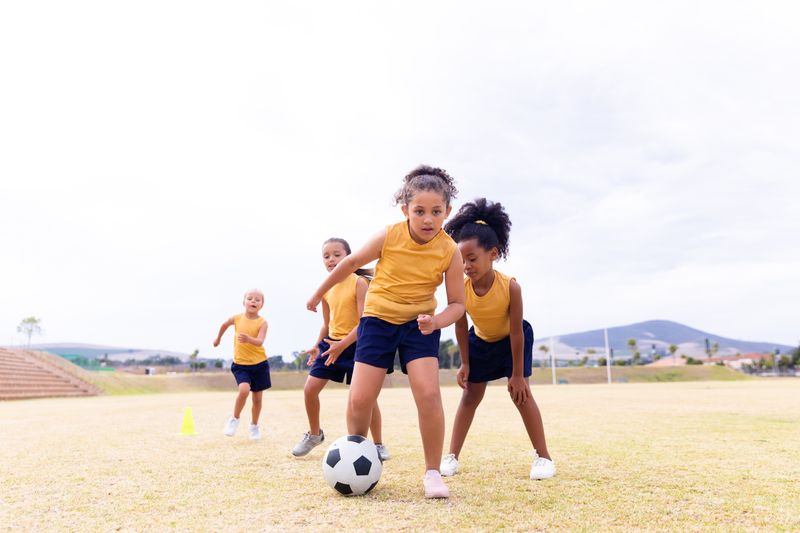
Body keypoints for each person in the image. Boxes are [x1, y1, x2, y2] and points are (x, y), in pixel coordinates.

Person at [306, 165, 465, 498]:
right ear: (405, 210)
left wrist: (436, 322)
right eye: (419, 211)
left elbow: (457, 305)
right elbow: (349, 264)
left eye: (436, 212)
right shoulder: (389, 235)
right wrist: (319, 293)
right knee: (361, 398)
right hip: (377, 320)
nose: (427, 219)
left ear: (447, 213)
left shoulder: (450, 251)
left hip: (419, 325)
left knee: (429, 394)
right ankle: (355, 459)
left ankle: (433, 472)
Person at [439, 198, 555, 479]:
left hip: (511, 341)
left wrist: (516, 374)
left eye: (472, 258)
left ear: (493, 254)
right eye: (461, 259)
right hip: (479, 341)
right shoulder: (461, 288)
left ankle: (544, 458)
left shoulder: (511, 287)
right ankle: (452, 455)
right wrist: (465, 363)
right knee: (470, 396)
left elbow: (516, 332)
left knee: (521, 394)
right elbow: (459, 326)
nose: (466, 265)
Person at [292, 237, 389, 461]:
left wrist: (342, 345)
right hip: (331, 344)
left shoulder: (359, 282)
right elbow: (327, 324)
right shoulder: (326, 289)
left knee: (367, 399)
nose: (331, 260)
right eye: (326, 256)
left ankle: (378, 444)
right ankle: (315, 434)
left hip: (357, 345)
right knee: (310, 390)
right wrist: (318, 345)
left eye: (337, 254)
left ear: (349, 257)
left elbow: (364, 321)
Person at [213, 289, 270, 440]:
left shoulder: (262, 322)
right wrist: (218, 338)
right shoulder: (237, 318)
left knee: (257, 399)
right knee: (244, 390)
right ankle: (234, 419)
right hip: (241, 364)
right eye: (250, 298)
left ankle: (254, 426)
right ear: (243, 302)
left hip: (259, 364)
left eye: (257, 300)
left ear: (262, 305)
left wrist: (248, 339)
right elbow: (224, 324)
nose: (253, 301)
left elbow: (260, 341)